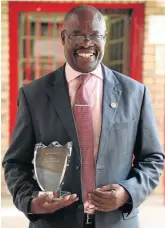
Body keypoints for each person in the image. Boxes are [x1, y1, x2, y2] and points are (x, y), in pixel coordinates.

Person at [2, 5, 164, 228]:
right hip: (55, 223)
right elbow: (15, 163)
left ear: (105, 38)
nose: (86, 43)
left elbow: (152, 159)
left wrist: (128, 192)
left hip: (116, 222)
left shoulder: (135, 93)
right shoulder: (34, 95)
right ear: (63, 37)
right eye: (77, 34)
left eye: (95, 35)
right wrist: (30, 200)